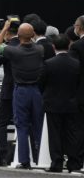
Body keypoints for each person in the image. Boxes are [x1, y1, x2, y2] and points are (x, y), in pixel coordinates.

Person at [0, 21, 44, 169]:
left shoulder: (13, 51)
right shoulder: (40, 49)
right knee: (37, 126)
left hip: (21, 90)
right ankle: (40, 157)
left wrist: (4, 29)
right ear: (33, 35)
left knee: (21, 126)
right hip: (36, 91)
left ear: (18, 36)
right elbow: (32, 41)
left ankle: (25, 161)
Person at [39, 34, 81, 173]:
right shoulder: (76, 64)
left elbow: (41, 83)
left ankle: (56, 163)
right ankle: (73, 163)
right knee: (72, 134)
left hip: (53, 104)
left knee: (55, 134)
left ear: (53, 47)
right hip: (72, 103)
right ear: (69, 46)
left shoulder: (49, 63)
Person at [0, 21, 20, 167]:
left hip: (9, 89)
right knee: (23, 123)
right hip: (24, 88)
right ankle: (22, 154)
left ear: (7, 33)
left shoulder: (7, 48)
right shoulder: (26, 45)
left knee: (1, 123)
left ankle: (2, 155)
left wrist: (1, 34)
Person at [69, 15, 84, 171]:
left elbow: (73, 71)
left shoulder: (77, 46)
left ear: (79, 28)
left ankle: (77, 162)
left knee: (78, 129)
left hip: (80, 93)